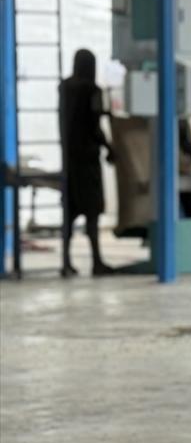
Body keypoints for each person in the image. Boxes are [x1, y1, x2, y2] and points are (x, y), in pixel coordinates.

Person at [58, 49, 115, 278]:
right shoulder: (92, 90)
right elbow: (94, 125)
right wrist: (111, 147)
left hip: (69, 161)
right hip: (88, 162)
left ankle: (66, 262)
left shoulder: (64, 88)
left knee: (69, 215)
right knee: (92, 214)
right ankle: (97, 262)